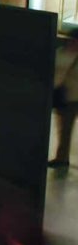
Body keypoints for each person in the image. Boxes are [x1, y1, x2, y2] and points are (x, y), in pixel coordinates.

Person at [49, 29, 78, 168]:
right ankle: (62, 158)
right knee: (64, 129)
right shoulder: (60, 52)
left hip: (73, 97)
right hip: (65, 97)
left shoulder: (61, 52)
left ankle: (62, 158)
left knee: (64, 129)